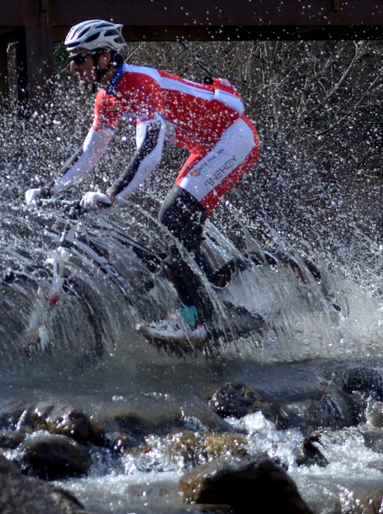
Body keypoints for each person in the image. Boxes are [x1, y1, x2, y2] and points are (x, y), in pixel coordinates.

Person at [25, 19, 260, 343]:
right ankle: (214, 303)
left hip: (233, 136)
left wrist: (112, 194)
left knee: (172, 216)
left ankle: (199, 320)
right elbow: (89, 153)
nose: (72, 67)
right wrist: (51, 189)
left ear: (105, 57)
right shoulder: (107, 97)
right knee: (175, 234)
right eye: (71, 58)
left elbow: (150, 150)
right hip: (206, 146)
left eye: (79, 58)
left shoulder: (140, 83)